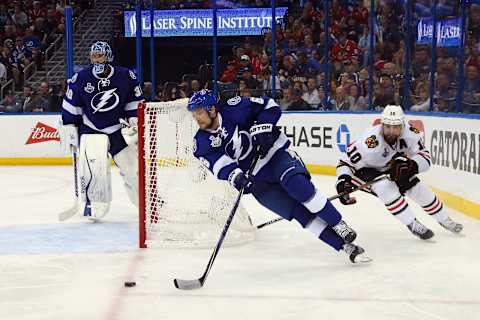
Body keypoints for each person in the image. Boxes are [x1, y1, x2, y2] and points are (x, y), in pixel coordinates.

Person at [187, 89, 371, 263]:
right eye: (194, 114)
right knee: (300, 215)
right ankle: (345, 247)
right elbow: (219, 165)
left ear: (212, 109)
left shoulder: (235, 108)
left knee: (299, 187)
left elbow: (270, 106)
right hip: (256, 180)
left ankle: (338, 223)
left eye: (199, 112)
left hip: (275, 155)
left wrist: (263, 127)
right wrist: (236, 176)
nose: (196, 118)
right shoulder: (200, 143)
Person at [335, 105, 463, 240]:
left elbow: (425, 157)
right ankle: (412, 224)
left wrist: (412, 165)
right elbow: (345, 163)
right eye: (388, 126)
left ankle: (444, 219)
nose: (391, 131)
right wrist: (343, 180)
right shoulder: (369, 143)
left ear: (402, 125)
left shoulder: (411, 133)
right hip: (363, 171)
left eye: (395, 127)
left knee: (418, 188)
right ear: (382, 124)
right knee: (385, 187)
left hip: (389, 165)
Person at [59, 41, 144, 220]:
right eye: (94, 56)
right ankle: (95, 203)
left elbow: (134, 101)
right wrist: (69, 126)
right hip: (91, 129)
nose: (97, 59)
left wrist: (134, 119)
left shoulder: (125, 76)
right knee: (94, 169)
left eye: (101, 55)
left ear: (109, 56)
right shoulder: (81, 78)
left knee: (131, 169)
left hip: (116, 129)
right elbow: (71, 104)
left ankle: (144, 204)